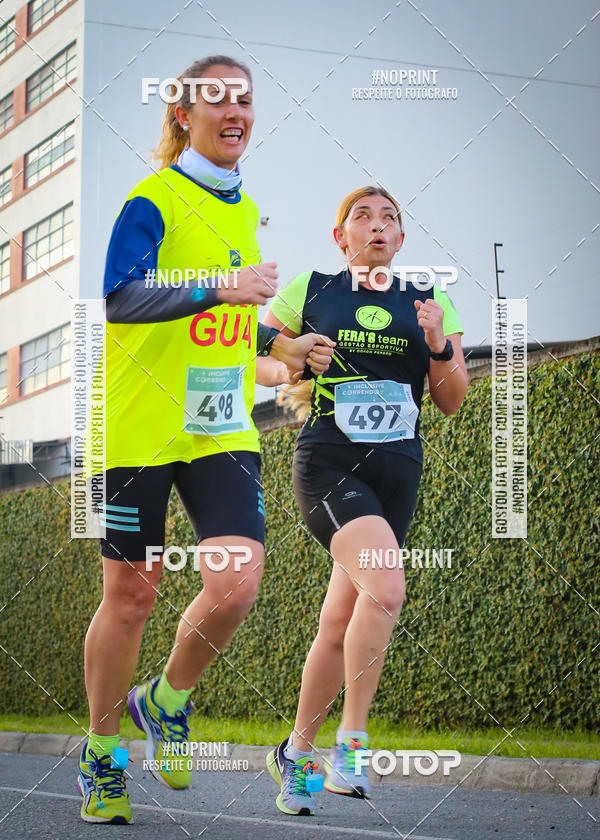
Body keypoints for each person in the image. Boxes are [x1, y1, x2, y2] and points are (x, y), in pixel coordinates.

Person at [78, 55, 332, 825]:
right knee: (132, 595)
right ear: (182, 115)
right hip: (137, 425)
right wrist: (222, 287)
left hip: (218, 421)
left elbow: (220, 320)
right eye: (216, 99)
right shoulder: (152, 197)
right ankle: (102, 756)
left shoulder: (245, 209)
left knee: (237, 584)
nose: (235, 112)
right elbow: (121, 296)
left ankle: (166, 698)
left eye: (244, 100)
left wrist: (279, 344)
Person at [259, 185, 469, 815]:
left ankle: (296, 753)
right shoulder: (313, 289)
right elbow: (257, 354)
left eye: (389, 219)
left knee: (338, 622)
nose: (377, 226)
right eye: (362, 217)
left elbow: (451, 398)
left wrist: (438, 344)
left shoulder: (429, 302)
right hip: (329, 463)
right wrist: (295, 361)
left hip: (397, 474)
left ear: (400, 239)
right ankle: (351, 747)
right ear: (340, 235)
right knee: (386, 586)